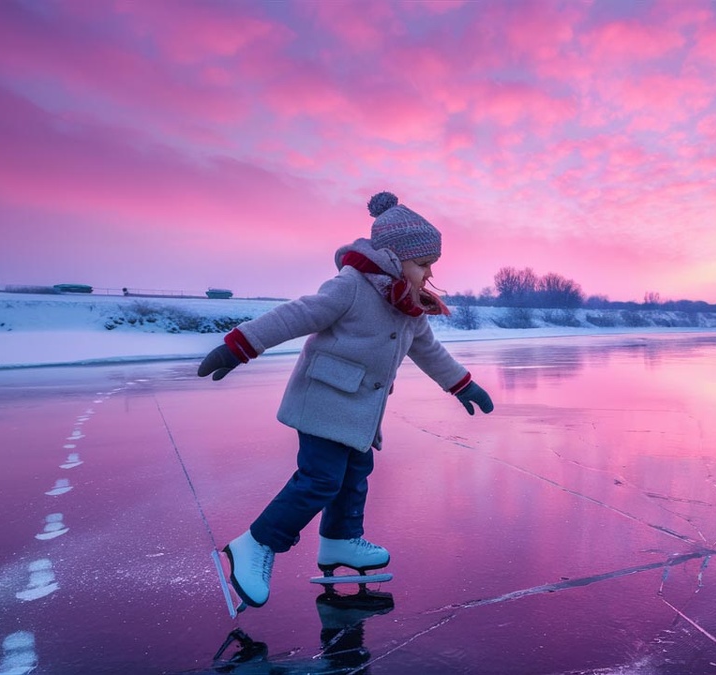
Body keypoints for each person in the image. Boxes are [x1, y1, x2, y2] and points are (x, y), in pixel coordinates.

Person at [197, 191, 494, 609]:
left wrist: (462, 384)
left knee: (355, 472)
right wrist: (240, 345)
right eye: (423, 264)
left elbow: (427, 350)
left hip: (359, 411)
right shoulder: (351, 287)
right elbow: (297, 315)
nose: (428, 274)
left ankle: (339, 541)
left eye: (431, 266)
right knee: (321, 478)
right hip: (323, 400)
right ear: (394, 257)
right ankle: (255, 544)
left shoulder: (407, 306)